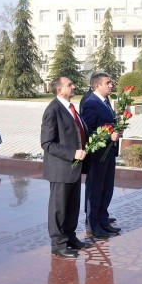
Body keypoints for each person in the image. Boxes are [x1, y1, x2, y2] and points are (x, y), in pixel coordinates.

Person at [41, 76, 89, 258]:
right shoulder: (52, 110)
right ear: (59, 90)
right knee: (59, 208)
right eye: (70, 84)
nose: (73, 86)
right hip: (61, 168)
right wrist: (72, 154)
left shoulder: (69, 107)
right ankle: (58, 243)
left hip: (73, 168)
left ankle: (70, 236)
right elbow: (47, 143)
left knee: (72, 206)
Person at [81, 71, 121, 239]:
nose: (111, 85)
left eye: (111, 82)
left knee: (107, 189)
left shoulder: (105, 101)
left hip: (109, 153)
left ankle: (103, 221)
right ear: (97, 85)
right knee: (96, 190)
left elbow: (106, 124)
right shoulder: (90, 103)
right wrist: (108, 136)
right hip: (98, 155)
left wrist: (118, 128)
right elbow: (88, 131)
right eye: (108, 82)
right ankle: (94, 225)